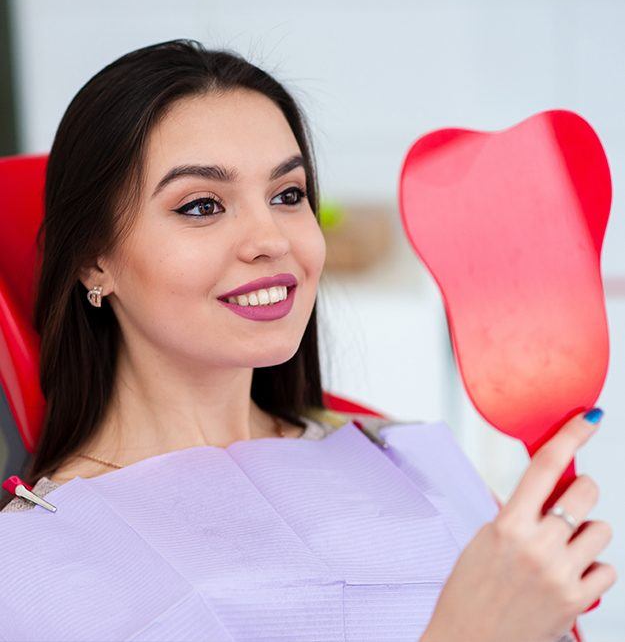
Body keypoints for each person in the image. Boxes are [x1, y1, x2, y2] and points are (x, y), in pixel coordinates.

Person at [0, 39, 615, 641]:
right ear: (92, 260)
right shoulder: (35, 562)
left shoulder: (405, 455)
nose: (271, 238)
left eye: (288, 195)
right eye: (201, 206)